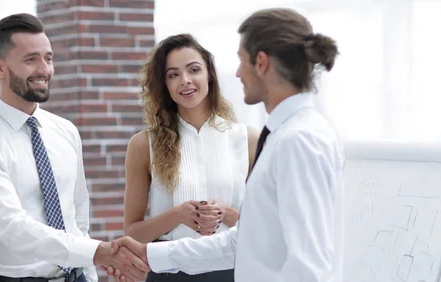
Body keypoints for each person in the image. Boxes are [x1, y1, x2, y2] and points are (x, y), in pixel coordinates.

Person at [107, 7, 344, 282]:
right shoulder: (284, 136)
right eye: (173, 74)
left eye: (241, 60)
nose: (238, 73)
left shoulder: (297, 141)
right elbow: (242, 241)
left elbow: (308, 266)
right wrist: (152, 254)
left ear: (262, 62)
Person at [0, 13, 149, 282]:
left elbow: (78, 219)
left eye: (49, 58)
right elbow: (13, 227)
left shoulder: (65, 131)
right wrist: (97, 252)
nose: (44, 70)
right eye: (31, 59)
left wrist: (89, 271)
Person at [122, 33, 258, 282]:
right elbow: (132, 234)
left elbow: (265, 228)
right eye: (173, 74)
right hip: (170, 274)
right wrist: (178, 215)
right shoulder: (143, 144)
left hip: (235, 271)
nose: (185, 81)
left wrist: (226, 213)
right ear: (164, 84)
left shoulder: (247, 139)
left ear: (210, 75)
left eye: (193, 70)